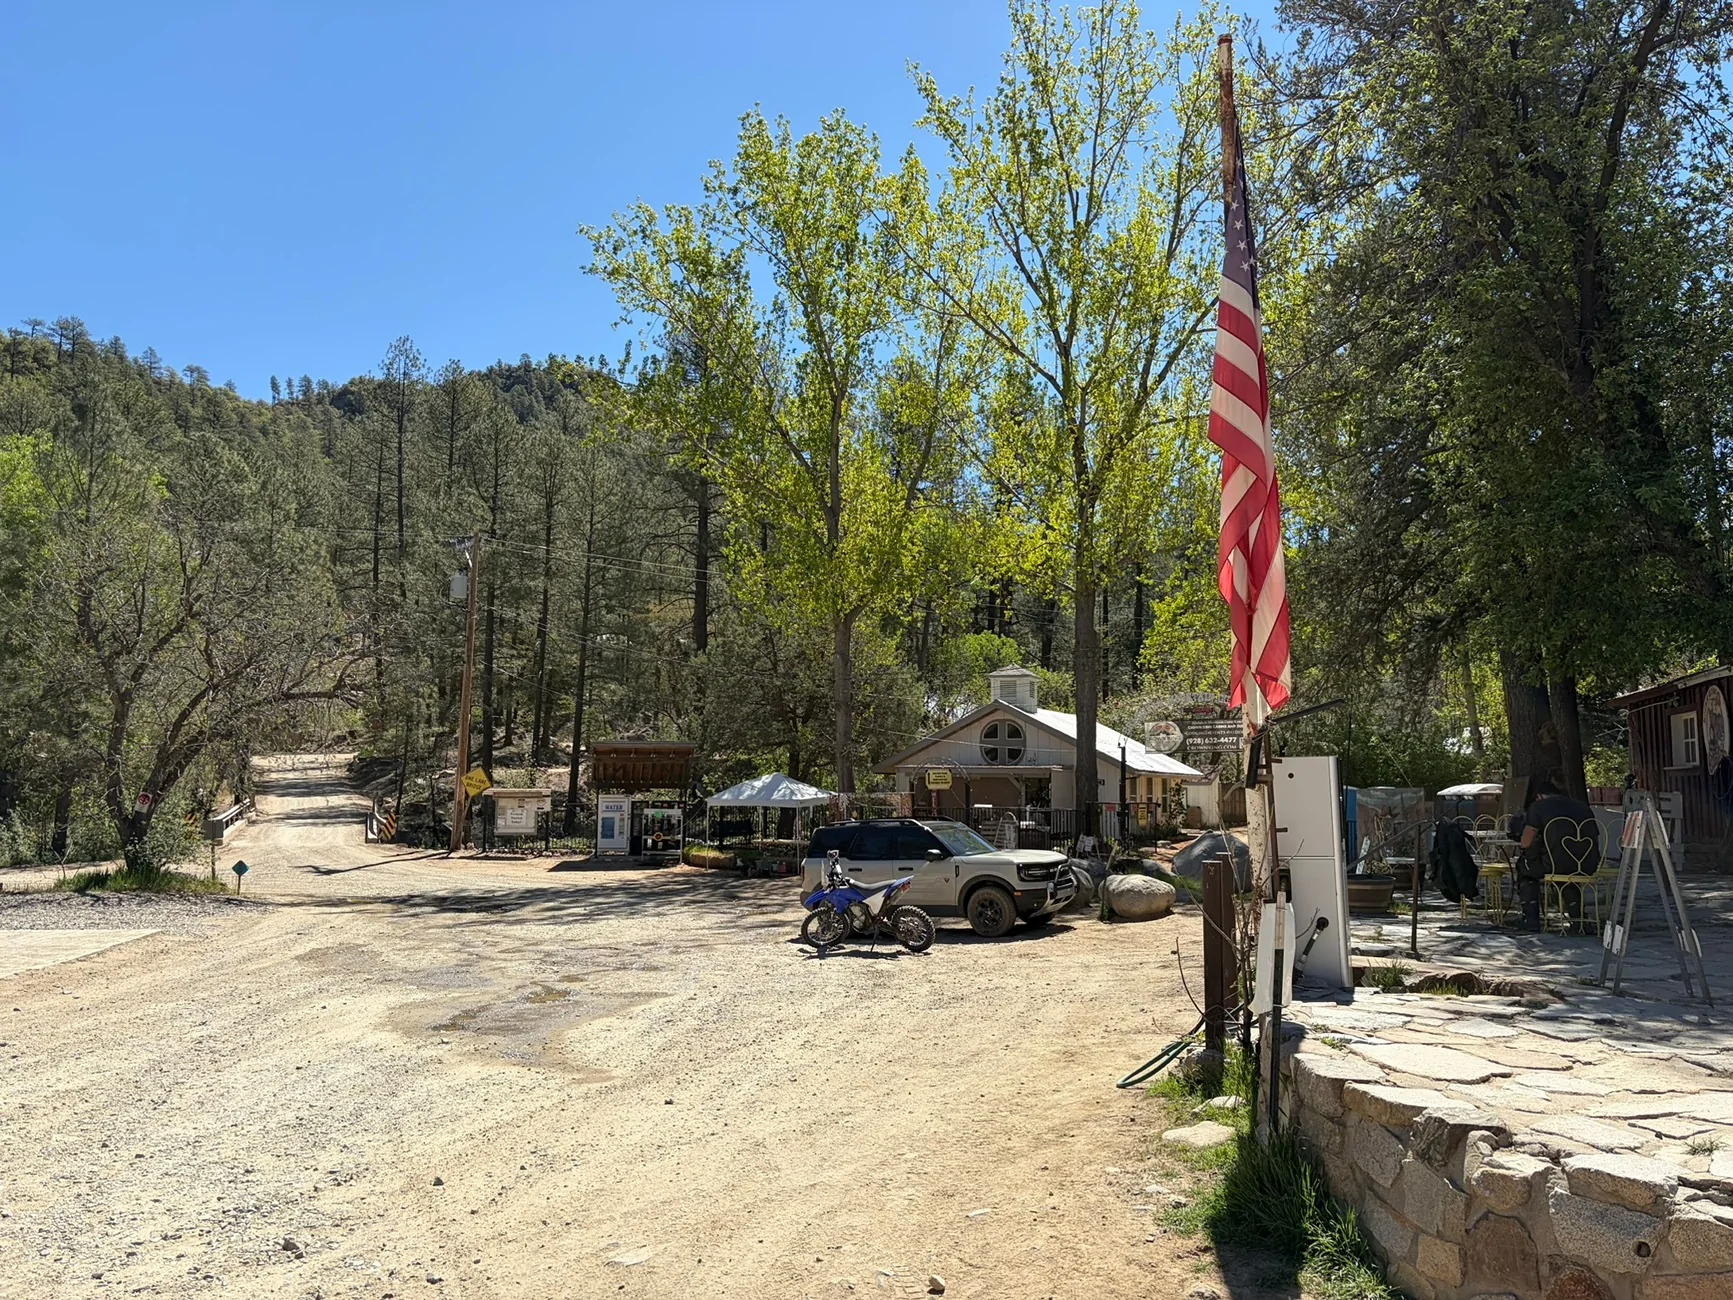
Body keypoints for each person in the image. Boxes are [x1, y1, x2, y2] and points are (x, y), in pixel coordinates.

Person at [1514, 779, 1601, 932]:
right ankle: (1577, 919)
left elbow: (1526, 842)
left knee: (1525, 867)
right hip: (1587, 863)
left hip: (1556, 864)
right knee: (1567, 873)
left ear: (1539, 796)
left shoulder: (1538, 807)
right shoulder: (1581, 806)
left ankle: (1531, 919)